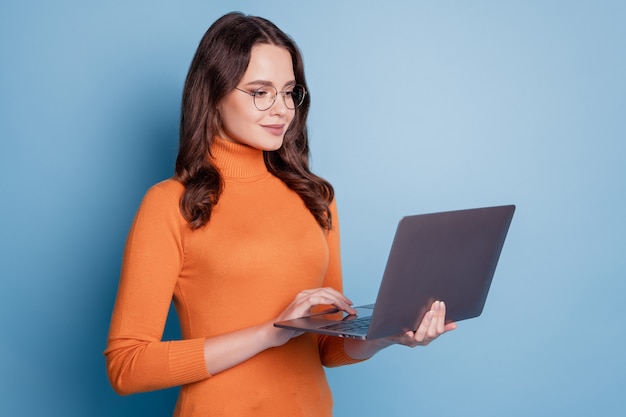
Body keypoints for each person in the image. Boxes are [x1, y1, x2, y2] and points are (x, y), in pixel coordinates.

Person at [104, 11, 457, 417]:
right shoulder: (172, 204)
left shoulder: (317, 197)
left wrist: (387, 336)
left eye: (289, 92)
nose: (282, 110)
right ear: (214, 93)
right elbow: (127, 366)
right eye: (260, 92)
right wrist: (271, 333)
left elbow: (328, 345)